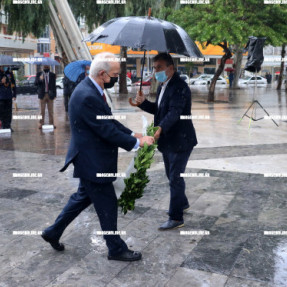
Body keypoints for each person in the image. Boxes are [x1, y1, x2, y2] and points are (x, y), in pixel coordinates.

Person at [41, 52, 154, 261]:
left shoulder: (93, 90)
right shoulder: (87, 96)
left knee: (81, 198)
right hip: (93, 161)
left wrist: (133, 134)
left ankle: (53, 232)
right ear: (102, 74)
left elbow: (108, 120)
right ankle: (116, 248)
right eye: (114, 75)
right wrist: (137, 143)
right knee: (108, 205)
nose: (116, 78)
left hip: (90, 158)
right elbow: (107, 131)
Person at [136, 52, 198, 230]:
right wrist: (143, 103)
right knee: (172, 176)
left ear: (171, 68)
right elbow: (159, 109)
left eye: (159, 68)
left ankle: (176, 217)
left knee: (175, 177)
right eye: (155, 68)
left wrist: (160, 128)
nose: (156, 72)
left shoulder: (180, 87)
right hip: (168, 140)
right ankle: (182, 203)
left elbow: (174, 112)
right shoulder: (165, 85)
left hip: (181, 140)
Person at [0, 66, 16, 130]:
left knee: (8, 112)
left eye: (6, 65)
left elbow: (13, 84)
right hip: (1, 97)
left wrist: (14, 94)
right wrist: (1, 82)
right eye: (3, 66)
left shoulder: (9, 73)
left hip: (8, 96)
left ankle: (8, 125)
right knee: (2, 112)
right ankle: (2, 125)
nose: (4, 67)